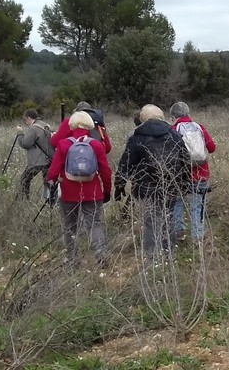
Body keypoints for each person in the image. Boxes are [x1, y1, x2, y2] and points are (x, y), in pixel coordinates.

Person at [118, 104, 191, 257]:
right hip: (171, 185)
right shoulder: (174, 134)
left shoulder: (137, 137)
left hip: (146, 188)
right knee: (167, 217)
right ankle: (169, 253)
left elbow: (126, 163)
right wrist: (185, 183)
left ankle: (152, 256)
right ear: (162, 117)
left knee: (151, 221)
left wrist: (119, 184)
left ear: (142, 119)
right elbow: (185, 160)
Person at [46, 111, 113, 268]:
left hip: (69, 193)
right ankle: (101, 254)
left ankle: (72, 259)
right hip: (93, 191)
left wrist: (52, 183)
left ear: (72, 125)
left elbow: (53, 172)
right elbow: (105, 171)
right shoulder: (96, 145)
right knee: (94, 224)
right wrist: (107, 190)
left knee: (69, 226)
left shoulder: (64, 144)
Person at [169, 101, 217, 243]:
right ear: (188, 112)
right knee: (197, 207)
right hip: (200, 174)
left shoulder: (172, 129)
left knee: (177, 202)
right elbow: (212, 147)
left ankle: (179, 232)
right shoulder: (199, 127)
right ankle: (198, 237)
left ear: (173, 116)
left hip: (180, 175)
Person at [14, 109, 55, 201]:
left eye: (25, 119)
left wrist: (20, 133)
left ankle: (24, 201)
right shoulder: (45, 125)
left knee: (24, 180)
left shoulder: (34, 128)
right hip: (49, 160)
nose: (25, 122)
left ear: (28, 118)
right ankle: (49, 202)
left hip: (38, 161)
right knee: (48, 183)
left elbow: (25, 144)